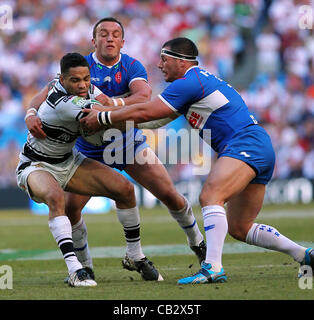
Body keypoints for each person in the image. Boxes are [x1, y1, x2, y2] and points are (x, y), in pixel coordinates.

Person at [80, 37, 314, 284]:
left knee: (210, 196)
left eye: (164, 59)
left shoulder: (188, 82)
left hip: (245, 144)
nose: (160, 65)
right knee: (240, 227)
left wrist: (104, 117)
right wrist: (113, 116)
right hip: (257, 146)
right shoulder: (197, 80)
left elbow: (147, 112)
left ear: (181, 62)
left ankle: (212, 267)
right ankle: (304, 254)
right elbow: (154, 121)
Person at [25, 18, 206, 282]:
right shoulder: (79, 66)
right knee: (71, 208)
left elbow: (143, 97)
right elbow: (45, 93)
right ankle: (86, 266)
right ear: (93, 40)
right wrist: (31, 112)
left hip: (127, 144)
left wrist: (110, 105)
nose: (109, 38)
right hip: (87, 151)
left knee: (169, 194)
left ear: (123, 41)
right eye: (103, 34)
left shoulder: (131, 65)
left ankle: (198, 244)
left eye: (115, 34)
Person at [17, 52, 164, 287]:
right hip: (36, 164)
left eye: (86, 78)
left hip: (69, 160)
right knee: (57, 198)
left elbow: (100, 102)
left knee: (125, 190)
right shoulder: (66, 103)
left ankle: (135, 255)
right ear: (63, 81)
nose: (83, 85)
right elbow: (111, 116)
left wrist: (30, 113)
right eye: (75, 81)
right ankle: (77, 269)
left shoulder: (79, 89)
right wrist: (165, 111)